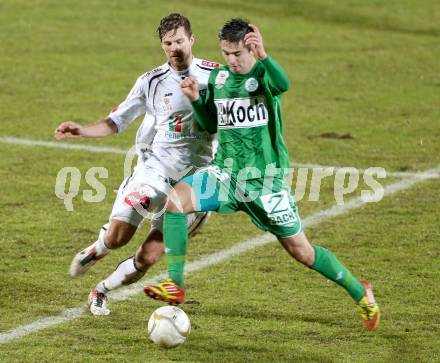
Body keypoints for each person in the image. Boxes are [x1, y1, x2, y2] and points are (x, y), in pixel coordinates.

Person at [144, 19, 380, 331]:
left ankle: (359, 291)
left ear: (251, 48)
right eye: (227, 53)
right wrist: (196, 100)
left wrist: (265, 56)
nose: (232, 59)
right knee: (175, 202)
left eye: (238, 53)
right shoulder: (219, 77)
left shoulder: (262, 74)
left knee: (303, 252)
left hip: (264, 181)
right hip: (225, 173)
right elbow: (212, 124)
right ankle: (175, 284)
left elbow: (284, 84)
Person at [54, 13, 219, 316]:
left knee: (150, 257)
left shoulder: (216, 76)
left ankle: (101, 290)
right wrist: (82, 130)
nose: (175, 48)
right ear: (162, 45)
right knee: (119, 237)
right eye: (168, 43)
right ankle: (98, 248)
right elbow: (115, 122)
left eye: (180, 41)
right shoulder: (151, 81)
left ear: (192, 40)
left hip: (197, 182)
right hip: (155, 171)